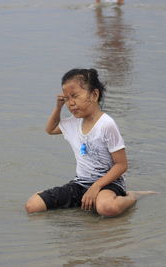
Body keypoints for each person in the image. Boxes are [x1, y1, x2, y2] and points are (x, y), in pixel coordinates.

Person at [25, 68, 157, 217]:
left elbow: (122, 165)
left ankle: (131, 196)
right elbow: (50, 129)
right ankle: (82, 200)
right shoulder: (73, 123)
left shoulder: (106, 124)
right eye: (67, 99)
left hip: (109, 184)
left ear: (94, 95)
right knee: (32, 205)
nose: (71, 103)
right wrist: (58, 107)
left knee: (106, 208)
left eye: (75, 96)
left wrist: (96, 187)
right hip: (80, 183)